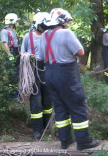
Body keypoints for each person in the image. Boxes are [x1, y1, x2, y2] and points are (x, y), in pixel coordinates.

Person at [38, 8, 99, 150]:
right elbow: (80, 52)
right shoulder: (66, 33)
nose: (68, 24)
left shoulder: (44, 35)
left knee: (60, 108)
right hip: (66, 74)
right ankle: (83, 142)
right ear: (62, 21)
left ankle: (65, 141)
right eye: (67, 22)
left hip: (50, 74)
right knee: (77, 106)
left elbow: (40, 57)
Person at [20, 12, 53, 140]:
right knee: (36, 101)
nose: (45, 27)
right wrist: (27, 56)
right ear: (37, 24)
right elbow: (22, 52)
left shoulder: (50, 36)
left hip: (47, 69)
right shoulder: (28, 37)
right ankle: (37, 130)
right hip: (32, 69)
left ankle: (47, 126)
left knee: (48, 100)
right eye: (43, 24)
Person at [0, 13, 20, 97]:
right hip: (10, 52)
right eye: (16, 21)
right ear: (13, 21)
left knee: (16, 72)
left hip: (15, 51)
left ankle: (16, 91)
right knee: (12, 73)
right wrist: (9, 55)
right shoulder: (4, 31)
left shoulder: (13, 31)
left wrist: (19, 53)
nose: (17, 23)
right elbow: (5, 44)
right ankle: (13, 95)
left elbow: (16, 44)